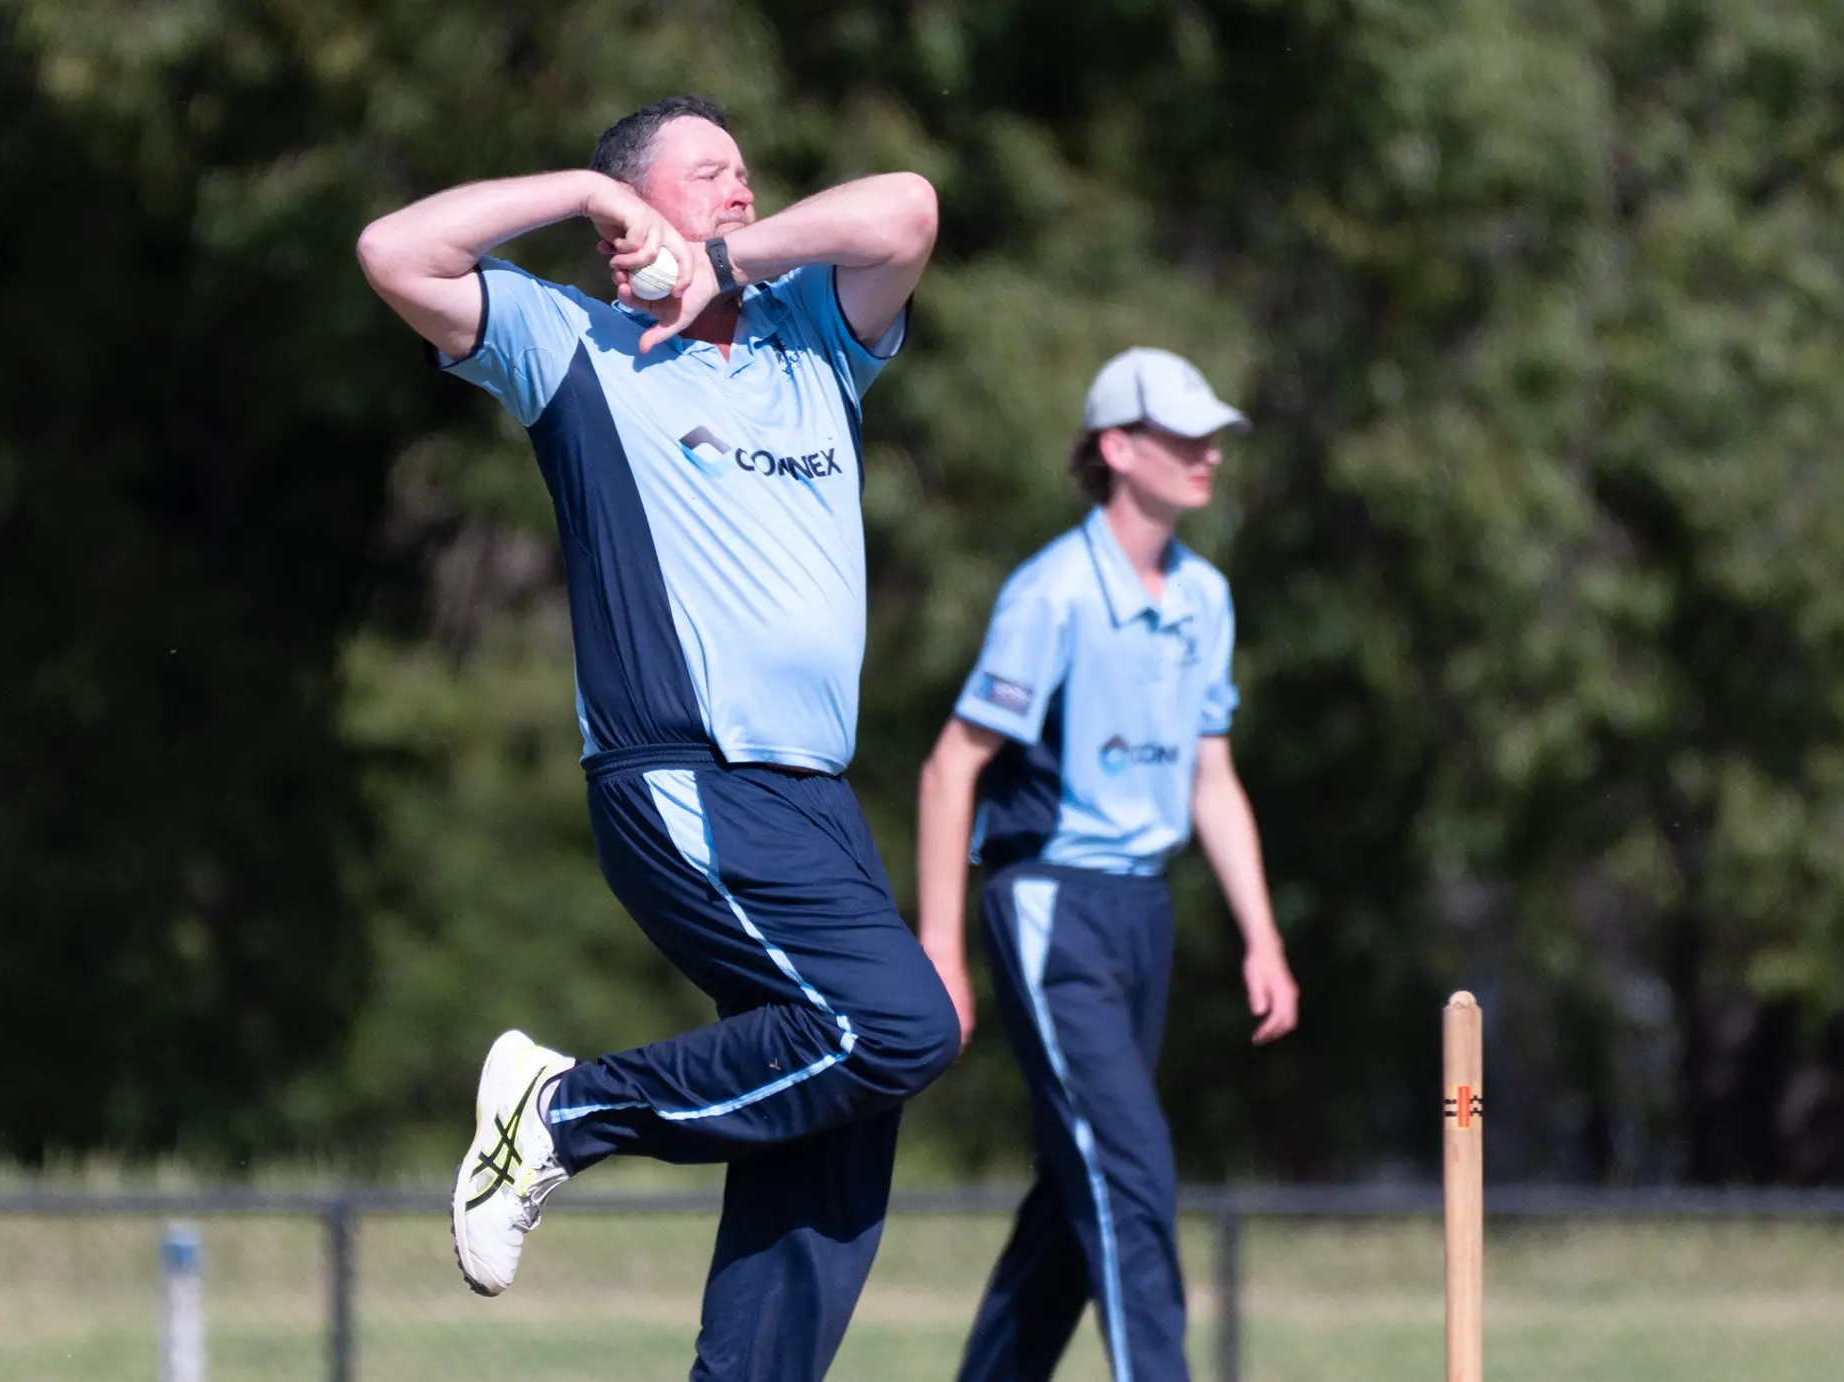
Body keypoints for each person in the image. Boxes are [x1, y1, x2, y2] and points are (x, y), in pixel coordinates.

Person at [353, 93, 957, 1382]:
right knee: (900, 1025)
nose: (740, 191)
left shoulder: (813, 340)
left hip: (815, 803)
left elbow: (906, 206)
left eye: (747, 173)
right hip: (685, 780)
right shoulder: (575, 344)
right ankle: (560, 1111)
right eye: (708, 178)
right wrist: (581, 190)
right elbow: (394, 251)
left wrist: (733, 262)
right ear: (637, 210)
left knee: (838, 1132)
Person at [914, 348, 1301, 1382]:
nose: (1209, 453)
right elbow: (953, 766)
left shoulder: (1205, 598)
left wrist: (1262, 934)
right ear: (1118, 449)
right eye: (1184, 437)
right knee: (1131, 1172)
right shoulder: (1052, 594)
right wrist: (942, 952)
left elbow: (1210, 778)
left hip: (1142, 911)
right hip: (1049, 902)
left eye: (1212, 435)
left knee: (1072, 1189)